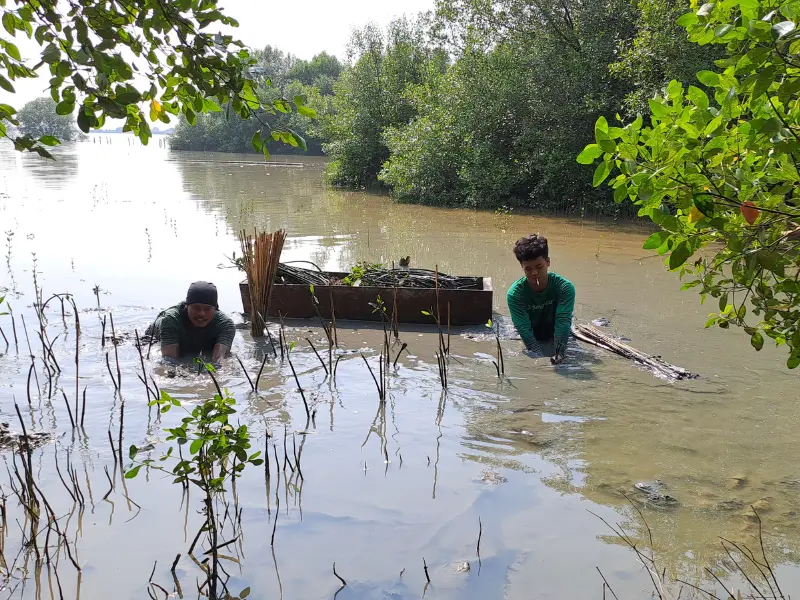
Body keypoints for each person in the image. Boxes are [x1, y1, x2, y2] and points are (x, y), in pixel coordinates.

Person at [506, 234, 576, 364]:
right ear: (522, 267)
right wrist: (539, 359)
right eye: (528, 268)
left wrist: (559, 354)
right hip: (531, 332)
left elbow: (563, 322)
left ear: (548, 262)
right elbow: (524, 330)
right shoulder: (515, 294)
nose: (534, 273)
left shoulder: (565, 287)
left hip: (554, 330)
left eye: (539, 267)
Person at [154, 281, 236, 365]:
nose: (201, 314)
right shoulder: (171, 320)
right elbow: (169, 362)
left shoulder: (225, 325)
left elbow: (219, 362)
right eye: (196, 308)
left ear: (215, 309)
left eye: (207, 309)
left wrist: (207, 375)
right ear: (187, 306)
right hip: (154, 339)